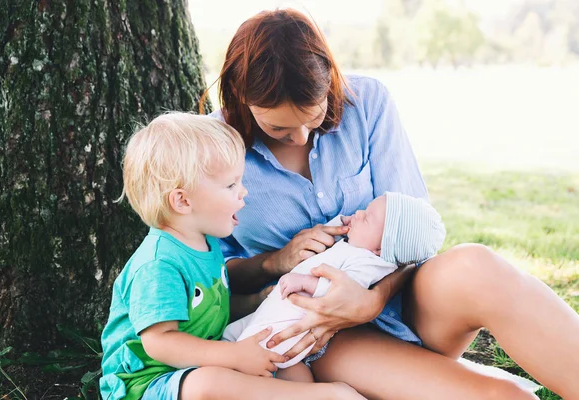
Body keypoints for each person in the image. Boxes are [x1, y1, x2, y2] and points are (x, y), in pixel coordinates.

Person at [203, 8, 579, 399]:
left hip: (406, 297)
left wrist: (370, 300)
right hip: (322, 332)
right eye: (278, 128)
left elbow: (414, 227)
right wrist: (276, 261)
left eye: (312, 119)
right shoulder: (212, 149)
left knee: (476, 265)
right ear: (242, 97)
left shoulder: (365, 103)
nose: (299, 138)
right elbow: (212, 282)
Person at [98, 112, 366, 400]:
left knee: (289, 367)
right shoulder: (159, 264)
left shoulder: (206, 244)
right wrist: (236, 355)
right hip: (147, 383)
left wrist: (256, 301)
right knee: (208, 385)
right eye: (230, 185)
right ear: (183, 201)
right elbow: (160, 344)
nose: (243, 192)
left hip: (204, 360)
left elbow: (212, 306)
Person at [224, 192, 445, 378]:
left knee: (254, 347)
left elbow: (338, 292)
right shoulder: (358, 245)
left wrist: (306, 282)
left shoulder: (368, 263)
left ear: (381, 249)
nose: (358, 213)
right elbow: (338, 233)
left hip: (291, 323)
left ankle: (238, 377)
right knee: (232, 335)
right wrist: (343, 223)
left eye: (366, 218)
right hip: (273, 310)